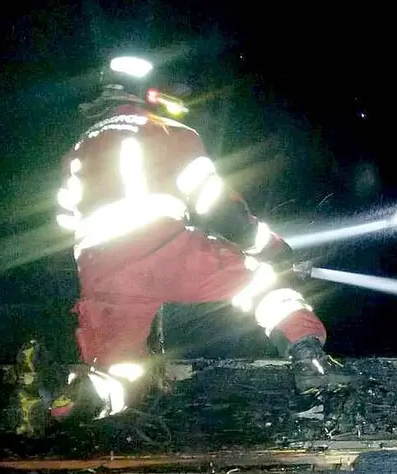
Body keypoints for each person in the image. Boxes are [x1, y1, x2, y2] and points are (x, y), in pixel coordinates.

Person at [49, 55, 346, 422]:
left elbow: (65, 222)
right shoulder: (171, 133)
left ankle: (75, 403)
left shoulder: (76, 153)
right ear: (147, 96)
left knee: (117, 372)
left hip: (102, 268)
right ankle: (311, 363)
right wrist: (270, 249)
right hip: (164, 246)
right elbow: (215, 204)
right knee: (264, 285)